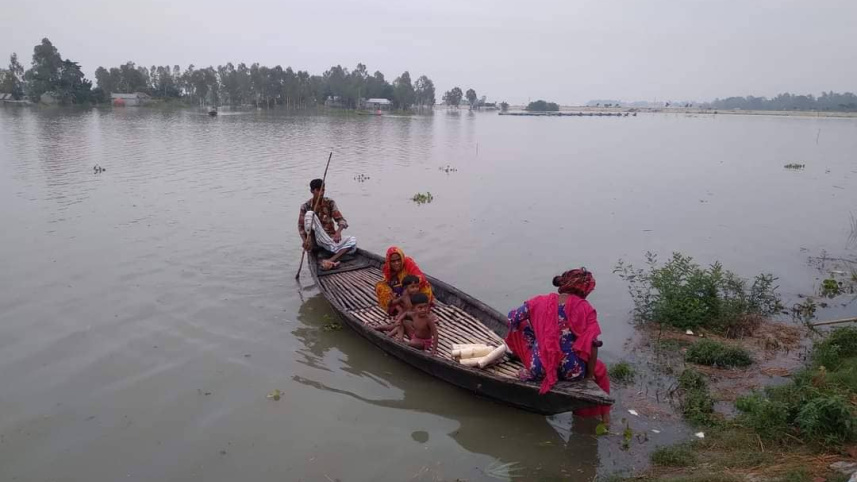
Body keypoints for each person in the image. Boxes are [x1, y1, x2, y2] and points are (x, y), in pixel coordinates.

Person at [504, 268, 611, 423]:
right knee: (600, 369)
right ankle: (601, 417)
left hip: (540, 368)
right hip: (572, 372)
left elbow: (512, 318)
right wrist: (588, 377)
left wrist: (535, 329)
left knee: (519, 327)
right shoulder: (585, 308)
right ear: (584, 289)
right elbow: (593, 345)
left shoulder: (538, 301)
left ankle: (518, 357)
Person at [298, 179, 357, 270]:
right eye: (318, 190)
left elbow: (341, 220)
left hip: (328, 239)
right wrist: (305, 240)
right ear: (312, 191)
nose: (321, 193)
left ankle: (330, 260)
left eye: (323, 190)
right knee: (310, 214)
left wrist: (338, 232)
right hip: (314, 241)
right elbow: (301, 227)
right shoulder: (305, 206)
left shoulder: (329, 202)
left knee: (353, 241)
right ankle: (323, 254)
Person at [375, 246, 433, 314]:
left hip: (413, 292)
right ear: (389, 262)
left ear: (402, 258)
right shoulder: (387, 269)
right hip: (399, 295)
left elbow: (421, 278)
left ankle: (419, 307)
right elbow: (387, 283)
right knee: (380, 286)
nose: (396, 263)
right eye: (393, 261)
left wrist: (409, 287)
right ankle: (399, 309)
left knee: (425, 286)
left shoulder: (408, 262)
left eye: (399, 260)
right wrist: (394, 295)